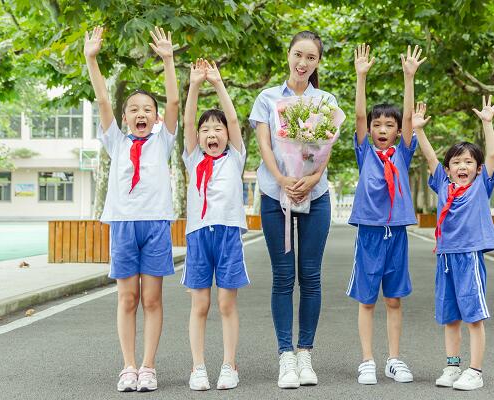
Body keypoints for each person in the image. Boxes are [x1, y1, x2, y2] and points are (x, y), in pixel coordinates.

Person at [84, 26, 179, 392]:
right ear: (126, 118)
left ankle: (149, 366)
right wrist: (92, 58)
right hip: (123, 225)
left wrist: (168, 59)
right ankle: (127, 367)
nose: (141, 113)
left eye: (147, 110)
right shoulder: (117, 143)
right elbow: (104, 100)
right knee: (127, 297)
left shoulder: (163, 142)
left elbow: (173, 103)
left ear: (155, 118)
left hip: (155, 225)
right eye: (134, 110)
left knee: (152, 298)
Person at [248, 30, 336, 389]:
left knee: (311, 276)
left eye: (311, 58)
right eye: (298, 55)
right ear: (288, 55)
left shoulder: (325, 100)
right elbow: (266, 146)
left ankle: (305, 354)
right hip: (275, 196)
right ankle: (285, 356)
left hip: (316, 197)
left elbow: (325, 149)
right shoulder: (267, 98)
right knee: (283, 276)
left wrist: (312, 179)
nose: (303, 63)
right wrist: (283, 181)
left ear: (317, 63)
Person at [347, 43, 426, 385]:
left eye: (388, 125)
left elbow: (410, 118)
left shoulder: (402, 155)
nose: (381, 128)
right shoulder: (365, 152)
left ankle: (394, 359)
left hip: (397, 233)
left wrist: (410, 77)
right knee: (367, 300)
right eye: (378, 124)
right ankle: (367, 360)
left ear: (396, 131)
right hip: (369, 233)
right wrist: (360, 77)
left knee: (393, 299)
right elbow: (359, 117)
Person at [417, 95, 494, 391]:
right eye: (456, 162)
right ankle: (452, 366)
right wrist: (418, 131)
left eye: (469, 161)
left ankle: (475, 371)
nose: (462, 166)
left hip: (469, 256)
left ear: (478, 169)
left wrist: (487, 124)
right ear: (449, 168)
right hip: (445, 258)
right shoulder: (443, 184)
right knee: (449, 314)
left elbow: (491, 155)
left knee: (473, 315)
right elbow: (429, 158)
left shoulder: (481, 185)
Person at [181, 58, 249, 391]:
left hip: (228, 234)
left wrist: (219, 84)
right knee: (200, 304)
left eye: (217, 129)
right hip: (198, 235)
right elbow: (189, 122)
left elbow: (233, 117)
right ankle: (198, 367)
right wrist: (194, 85)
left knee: (226, 303)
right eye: (206, 130)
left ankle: (229, 365)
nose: (211, 133)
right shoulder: (193, 157)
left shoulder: (235, 156)